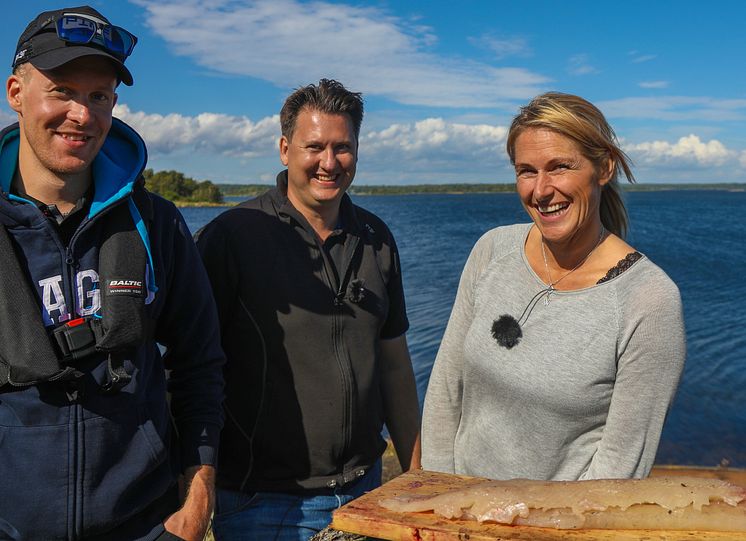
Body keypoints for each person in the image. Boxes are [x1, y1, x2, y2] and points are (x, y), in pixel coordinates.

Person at [1, 6, 224, 540]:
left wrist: (195, 509)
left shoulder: (157, 224)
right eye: (61, 89)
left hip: (144, 526)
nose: (81, 114)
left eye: (98, 96)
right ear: (16, 92)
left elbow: (200, 366)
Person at [196, 79, 421, 539]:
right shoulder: (233, 237)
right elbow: (191, 370)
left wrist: (418, 478)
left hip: (366, 490)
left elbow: (395, 366)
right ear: (284, 148)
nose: (329, 162)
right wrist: (194, 489)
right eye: (314, 146)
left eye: (343, 147)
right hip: (261, 500)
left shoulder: (376, 239)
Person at [421, 92, 685, 481]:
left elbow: (617, 473)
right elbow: (446, 389)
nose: (541, 190)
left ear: (604, 167)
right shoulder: (493, 250)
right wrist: (436, 499)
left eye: (559, 167)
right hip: (456, 517)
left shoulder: (648, 300)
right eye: (526, 171)